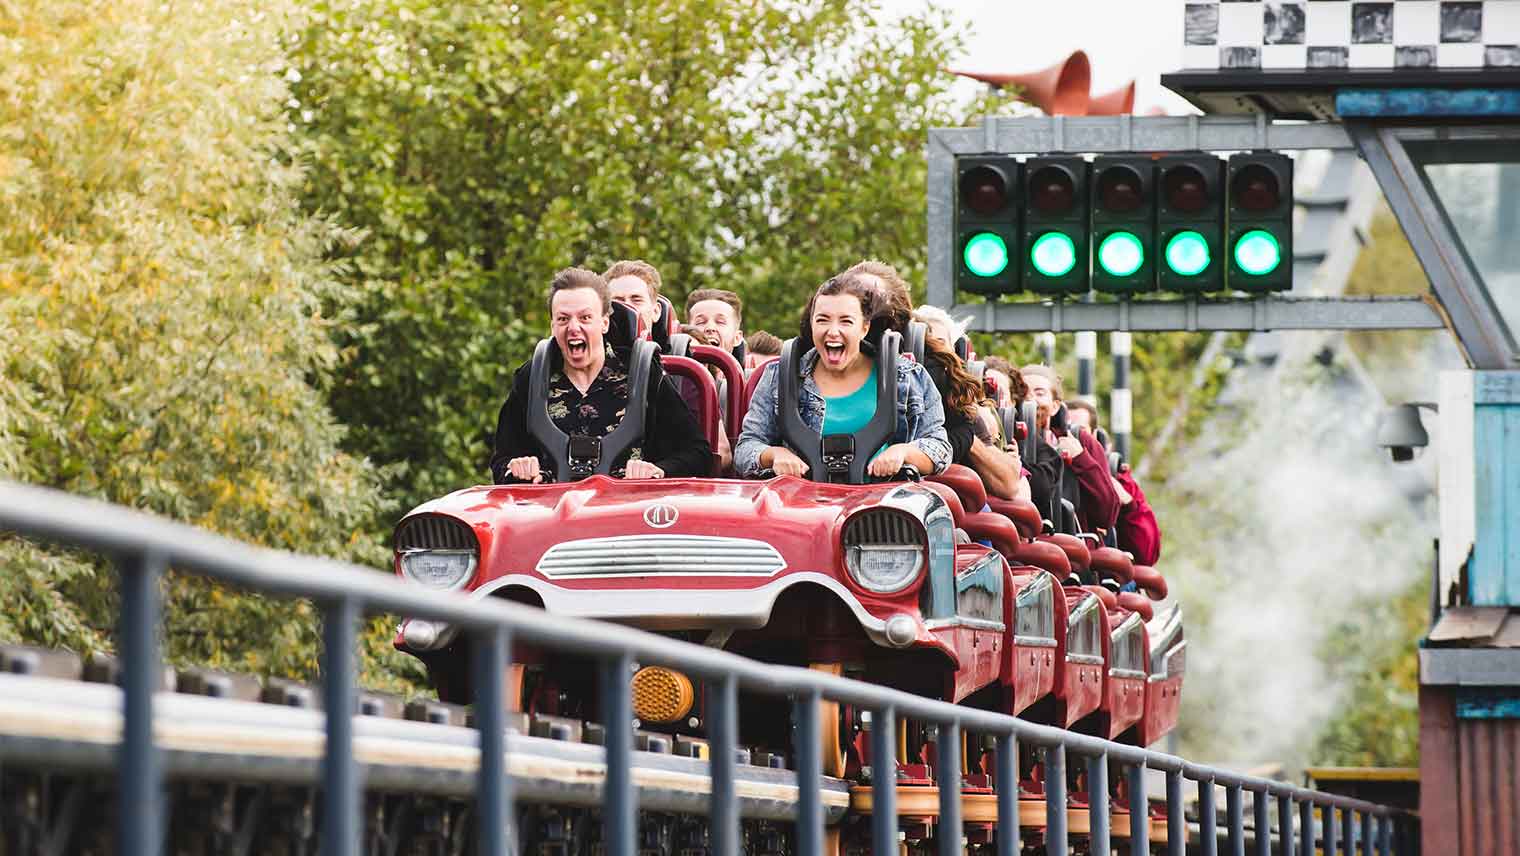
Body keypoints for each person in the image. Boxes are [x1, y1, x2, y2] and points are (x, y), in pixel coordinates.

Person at [490, 267, 711, 483]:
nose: (573, 327)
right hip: (549, 511)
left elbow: (697, 454)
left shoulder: (644, 375)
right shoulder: (532, 377)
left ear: (604, 322)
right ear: (552, 326)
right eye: (563, 319)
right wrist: (516, 468)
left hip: (626, 510)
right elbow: (501, 461)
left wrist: (658, 471)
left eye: (585, 318)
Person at [734, 274, 950, 479]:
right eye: (823, 320)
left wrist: (904, 452)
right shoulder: (778, 376)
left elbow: (940, 448)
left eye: (846, 321)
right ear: (812, 324)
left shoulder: (908, 377)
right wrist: (773, 455)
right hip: (802, 504)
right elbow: (745, 450)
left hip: (881, 504)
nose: (833, 331)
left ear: (864, 328)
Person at [1019, 364, 1119, 532]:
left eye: (1039, 393)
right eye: (1024, 393)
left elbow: (1107, 515)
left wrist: (1081, 458)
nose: (1031, 400)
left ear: (1055, 406)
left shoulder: (1080, 441)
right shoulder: (1009, 439)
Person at [1065, 400, 1161, 565]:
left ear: (1094, 436)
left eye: (1080, 431)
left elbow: (1147, 554)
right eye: (1067, 429)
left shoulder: (1119, 478)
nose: (1072, 437)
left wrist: (1128, 504)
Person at [603, 259, 663, 332]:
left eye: (636, 301)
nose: (627, 308)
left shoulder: (677, 343)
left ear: (655, 311)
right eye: (617, 303)